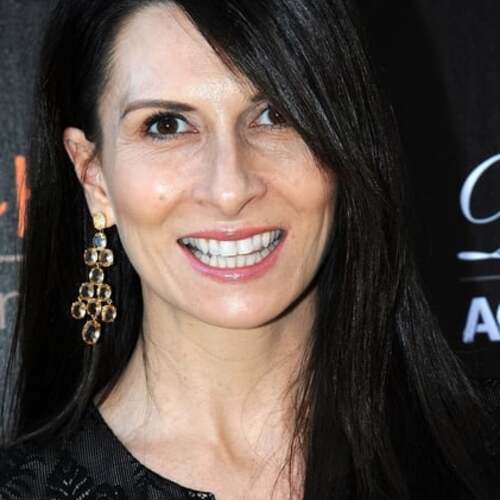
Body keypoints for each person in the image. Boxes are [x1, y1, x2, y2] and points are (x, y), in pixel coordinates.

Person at [0, 0, 498, 499]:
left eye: (275, 114)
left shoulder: (481, 455)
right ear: (95, 177)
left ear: (345, 143)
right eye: (166, 125)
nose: (230, 188)